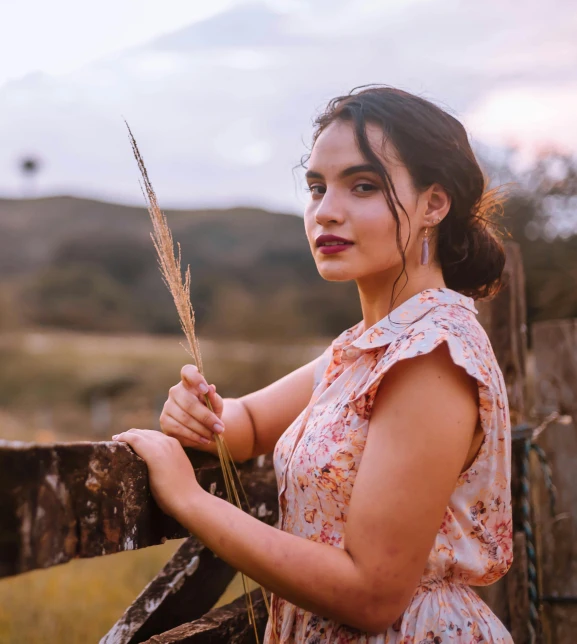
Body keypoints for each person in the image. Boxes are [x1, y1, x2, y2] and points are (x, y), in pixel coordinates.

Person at [112, 86, 513, 642]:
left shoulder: (431, 356)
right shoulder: (369, 345)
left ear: (434, 204)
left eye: (363, 186)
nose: (326, 211)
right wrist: (198, 414)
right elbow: (245, 426)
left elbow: (372, 596)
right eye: (317, 188)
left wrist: (189, 500)